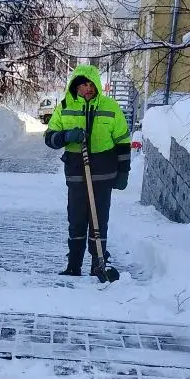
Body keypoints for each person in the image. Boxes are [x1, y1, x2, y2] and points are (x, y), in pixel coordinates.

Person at [44, 64, 132, 276]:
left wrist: (123, 172)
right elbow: (49, 137)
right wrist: (66, 137)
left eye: (91, 83)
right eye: (83, 84)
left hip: (103, 174)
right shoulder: (64, 106)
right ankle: (73, 264)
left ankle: (97, 263)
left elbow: (122, 142)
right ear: (75, 86)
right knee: (76, 219)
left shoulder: (110, 106)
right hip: (76, 173)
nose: (88, 88)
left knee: (99, 221)